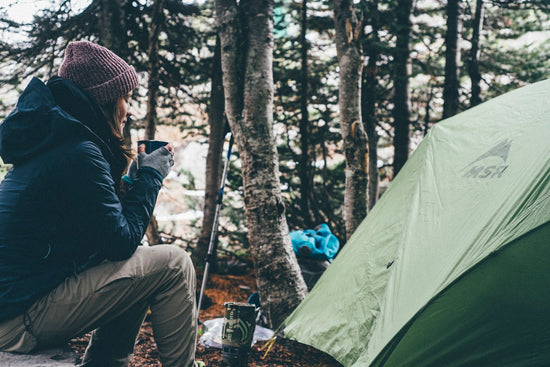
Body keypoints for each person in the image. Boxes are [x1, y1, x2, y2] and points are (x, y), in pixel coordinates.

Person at [0, 41, 198, 367]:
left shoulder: (58, 142)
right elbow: (118, 243)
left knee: (141, 265)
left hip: (15, 306)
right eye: (125, 98)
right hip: (17, 320)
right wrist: (151, 177)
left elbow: (105, 234)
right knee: (174, 264)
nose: (129, 110)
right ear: (104, 101)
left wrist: (133, 182)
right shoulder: (79, 151)